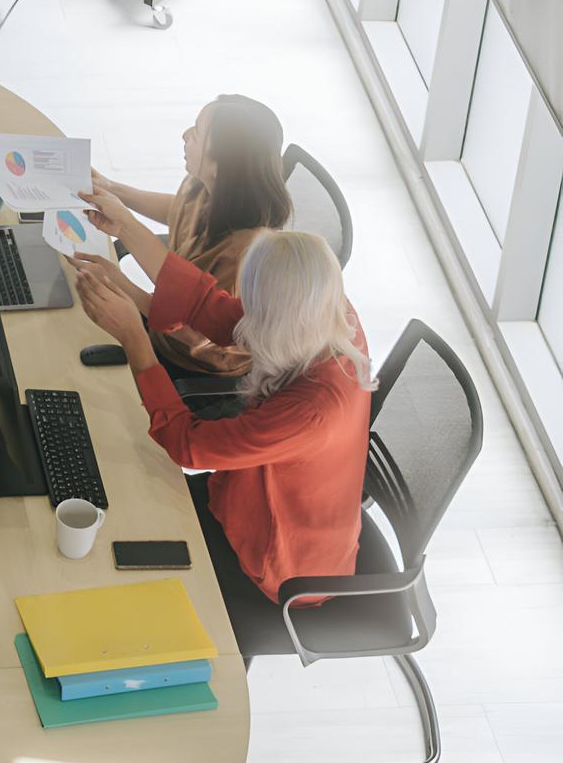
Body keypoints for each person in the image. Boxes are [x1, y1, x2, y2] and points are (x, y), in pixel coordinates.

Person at [71, 229, 373, 608]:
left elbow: (187, 445)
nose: (245, 309)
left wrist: (135, 338)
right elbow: (224, 315)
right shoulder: (330, 311)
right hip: (250, 492)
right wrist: (130, 294)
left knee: (126, 539)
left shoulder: (311, 413)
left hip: (282, 563)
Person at [85, 96, 292, 378]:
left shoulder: (246, 252)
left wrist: (126, 290)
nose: (185, 135)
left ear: (222, 163)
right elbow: (179, 210)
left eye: (196, 132)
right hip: (162, 315)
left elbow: (196, 336)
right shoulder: (205, 183)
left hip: (189, 357)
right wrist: (114, 189)